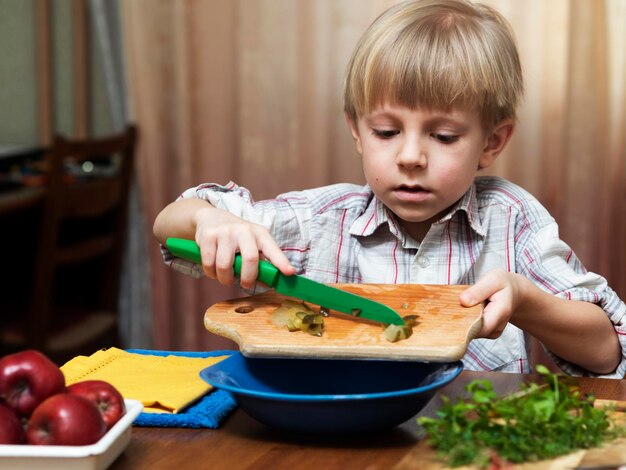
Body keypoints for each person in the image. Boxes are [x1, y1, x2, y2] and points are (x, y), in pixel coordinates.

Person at [153, 0, 626, 377]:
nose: (410, 157)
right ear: (357, 131)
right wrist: (210, 219)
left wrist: (525, 299)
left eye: (443, 137)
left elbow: (607, 352)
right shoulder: (321, 220)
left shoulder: (513, 220)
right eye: (386, 132)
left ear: (492, 142)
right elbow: (168, 225)